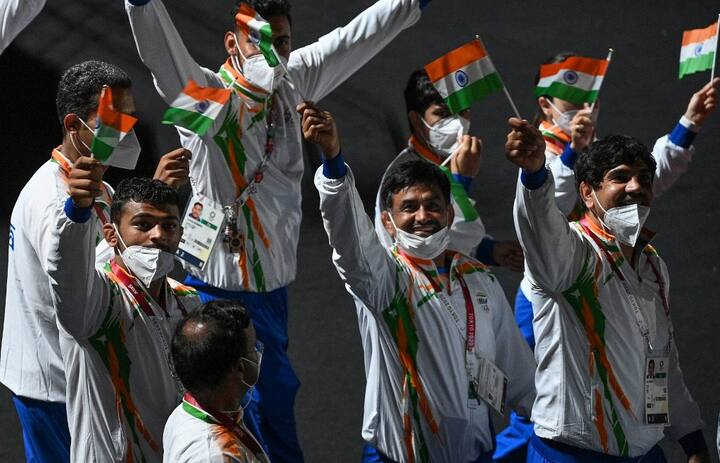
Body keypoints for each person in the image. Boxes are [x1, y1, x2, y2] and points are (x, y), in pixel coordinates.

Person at [124, 0, 434, 460]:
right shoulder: (206, 98)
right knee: (217, 410)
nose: (273, 55)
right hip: (208, 283)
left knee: (274, 407)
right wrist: (141, 4)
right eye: (260, 42)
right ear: (233, 43)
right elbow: (162, 59)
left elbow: (357, 36)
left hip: (271, 289)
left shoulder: (294, 79)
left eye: (282, 42)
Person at [494, 53, 719, 463]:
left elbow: (662, 359)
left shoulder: (652, 262)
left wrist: (691, 438)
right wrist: (535, 173)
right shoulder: (545, 157)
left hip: (640, 448)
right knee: (540, 397)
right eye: (619, 178)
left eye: (589, 99)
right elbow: (545, 225)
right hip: (561, 276)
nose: (635, 187)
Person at [303, 101, 535, 462]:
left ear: (449, 212)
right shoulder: (383, 279)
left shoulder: (480, 281)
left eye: (433, 205)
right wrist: (333, 160)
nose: (422, 216)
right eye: (409, 207)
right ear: (388, 220)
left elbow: (520, 375)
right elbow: (350, 240)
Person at [0, 60, 187, 463]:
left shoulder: (97, 184)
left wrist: (151, 199)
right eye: (113, 119)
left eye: (129, 116)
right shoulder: (52, 200)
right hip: (53, 383)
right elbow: (75, 273)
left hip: (78, 365)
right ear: (73, 125)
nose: (126, 129)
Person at [47, 175, 202, 462]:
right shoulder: (100, 302)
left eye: (168, 225)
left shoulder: (187, 300)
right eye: (142, 224)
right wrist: (77, 217)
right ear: (110, 234)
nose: (157, 235)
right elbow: (67, 276)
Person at [164, 300, 267, 462]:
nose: (258, 353)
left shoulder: (185, 413)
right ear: (240, 368)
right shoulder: (213, 455)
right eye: (253, 347)